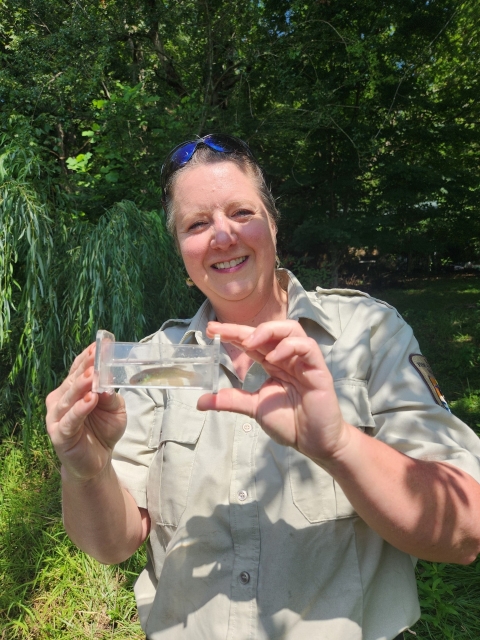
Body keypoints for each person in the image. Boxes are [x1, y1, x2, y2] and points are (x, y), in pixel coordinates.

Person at [46, 134, 480, 640]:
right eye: (197, 224)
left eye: (241, 212)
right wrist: (85, 467)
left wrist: (339, 445)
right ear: (182, 253)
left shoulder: (368, 332)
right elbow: (112, 545)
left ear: (274, 224)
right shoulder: (151, 363)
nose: (222, 236)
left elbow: (465, 532)